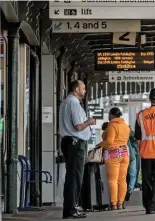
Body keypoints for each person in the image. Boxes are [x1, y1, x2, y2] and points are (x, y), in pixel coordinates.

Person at [59, 80, 95, 219]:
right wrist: (90, 121)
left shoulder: (65, 103)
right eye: (83, 88)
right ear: (76, 89)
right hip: (75, 144)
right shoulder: (73, 105)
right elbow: (78, 127)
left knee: (72, 177)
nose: (85, 91)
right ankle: (71, 209)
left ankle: (71, 207)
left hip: (69, 143)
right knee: (74, 177)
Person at [97, 107, 130, 210]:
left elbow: (110, 141)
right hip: (125, 153)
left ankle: (114, 203)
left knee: (113, 180)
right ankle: (120, 203)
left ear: (112, 115)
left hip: (113, 154)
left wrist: (100, 145)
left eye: (109, 115)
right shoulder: (125, 125)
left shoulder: (112, 124)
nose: (108, 117)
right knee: (122, 180)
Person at [125, 129, 138, 201]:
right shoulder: (131, 135)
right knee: (133, 175)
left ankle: (125, 191)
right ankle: (130, 189)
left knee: (123, 176)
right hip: (132, 156)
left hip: (123, 156)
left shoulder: (121, 136)